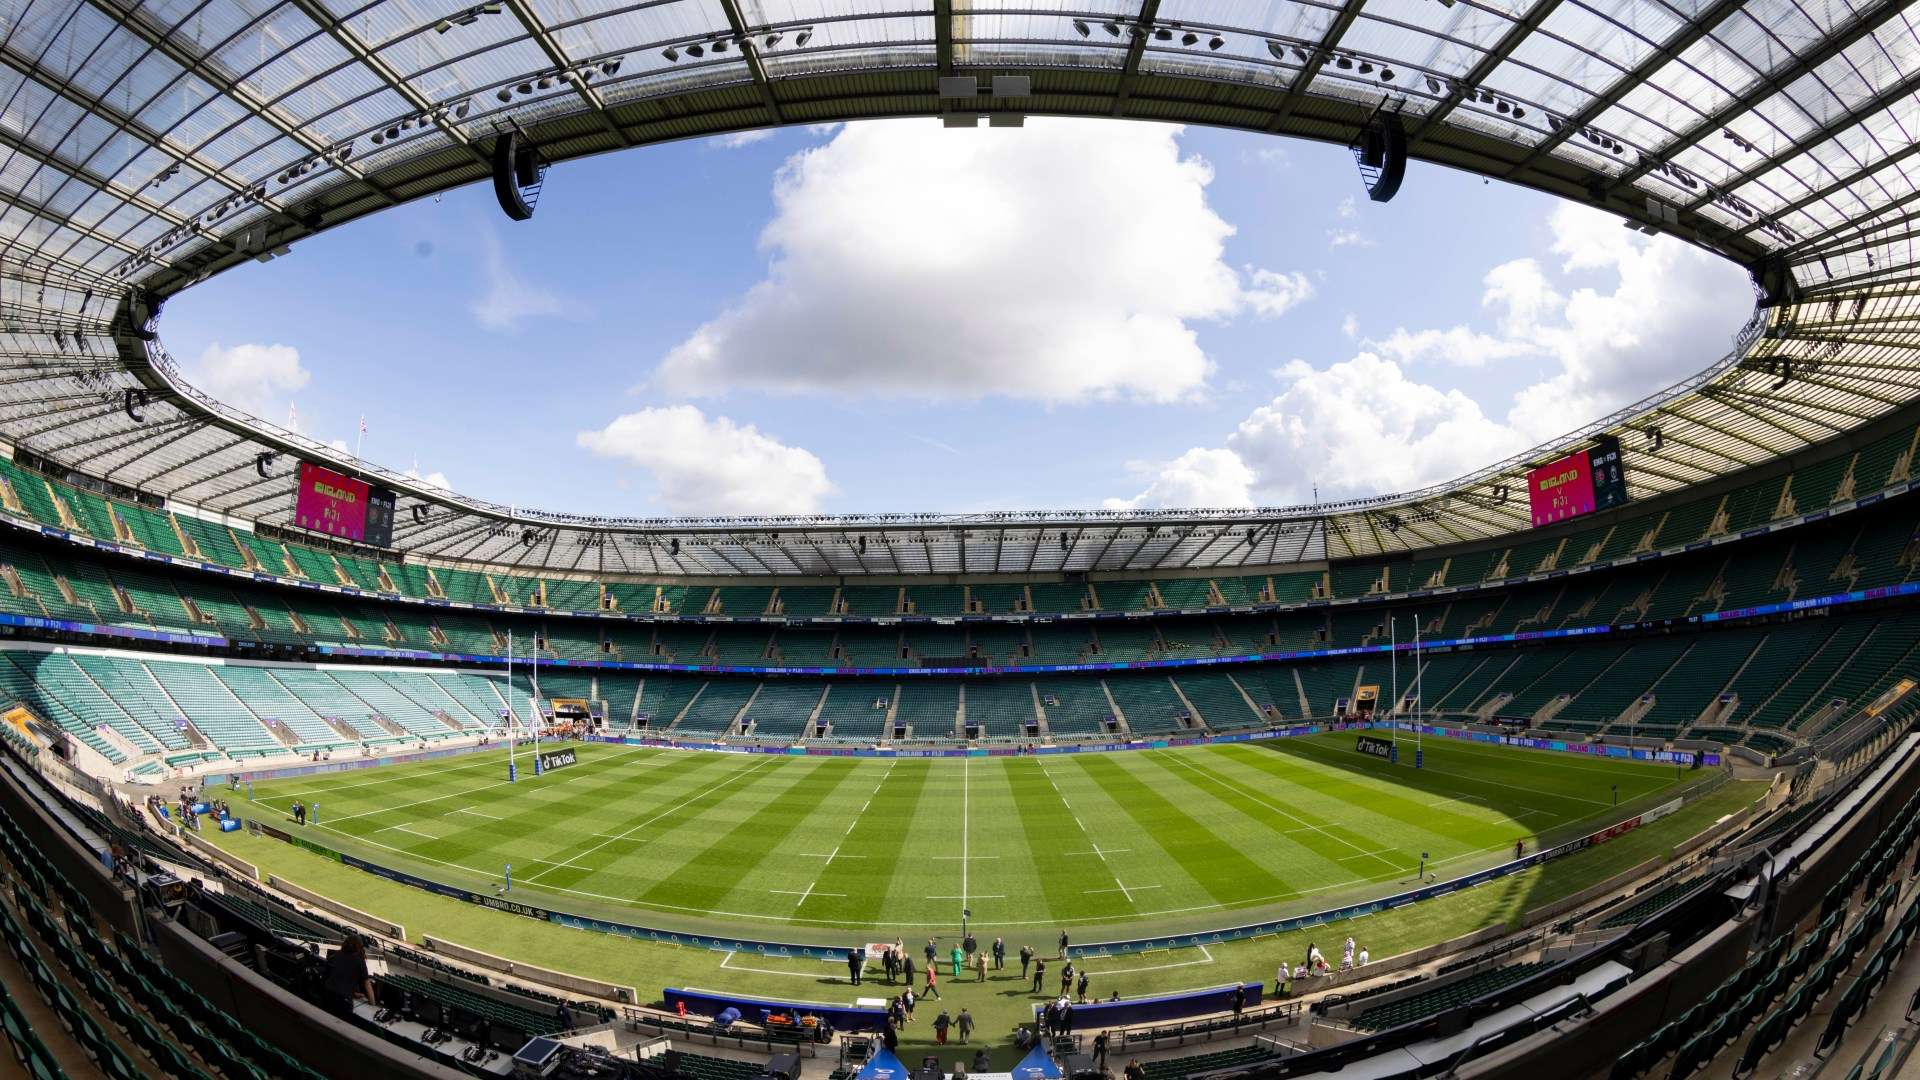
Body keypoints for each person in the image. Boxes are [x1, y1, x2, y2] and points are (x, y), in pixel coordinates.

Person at [322, 936, 375, 1018]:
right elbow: (367, 984)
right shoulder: (359, 961)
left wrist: (353, 993)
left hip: (328, 994)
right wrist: (373, 1004)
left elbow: (338, 977)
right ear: (358, 947)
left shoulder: (336, 955)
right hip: (343, 1001)